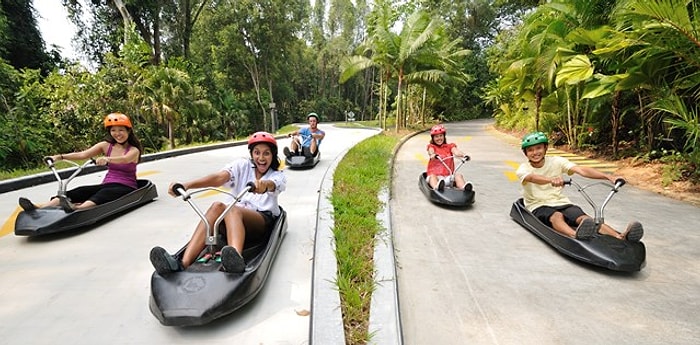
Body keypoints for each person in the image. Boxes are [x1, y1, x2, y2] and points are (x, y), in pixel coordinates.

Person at [149, 131, 287, 274]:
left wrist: (263, 185)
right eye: (257, 153)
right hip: (231, 218)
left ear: (273, 155)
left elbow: (272, 184)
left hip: (260, 222)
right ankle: (182, 263)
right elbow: (219, 178)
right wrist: (186, 185)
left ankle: (235, 260)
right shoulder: (242, 165)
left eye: (266, 153)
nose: (261, 158)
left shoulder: (278, 175)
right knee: (217, 206)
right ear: (251, 154)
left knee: (232, 209)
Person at [516, 131, 644, 241]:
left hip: (561, 202)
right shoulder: (523, 168)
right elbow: (532, 178)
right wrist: (551, 180)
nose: (535, 152)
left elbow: (581, 170)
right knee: (556, 216)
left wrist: (609, 177)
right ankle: (575, 236)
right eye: (530, 150)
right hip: (538, 205)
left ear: (545, 148)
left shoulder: (557, 161)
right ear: (525, 153)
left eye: (538, 148)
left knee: (584, 218)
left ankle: (620, 237)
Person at [18, 113, 143, 213]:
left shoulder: (133, 150)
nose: (117, 134)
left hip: (126, 186)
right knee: (80, 191)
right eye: (113, 130)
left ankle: (77, 209)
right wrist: (59, 157)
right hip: (107, 183)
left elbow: (125, 159)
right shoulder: (106, 146)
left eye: (121, 130)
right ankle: (39, 208)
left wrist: (107, 159)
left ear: (128, 131)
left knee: (104, 194)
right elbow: (83, 154)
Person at [426, 124, 473, 192]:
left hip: (448, 176)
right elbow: (431, 151)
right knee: (432, 177)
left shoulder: (450, 146)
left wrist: (464, 155)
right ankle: (436, 187)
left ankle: (463, 187)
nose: (439, 138)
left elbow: (456, 152)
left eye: (441, 136)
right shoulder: (432, 147)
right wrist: (433, 155)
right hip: (436, 176)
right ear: (433, 138)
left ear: (444, 136)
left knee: (458, 176)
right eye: (436, 136)